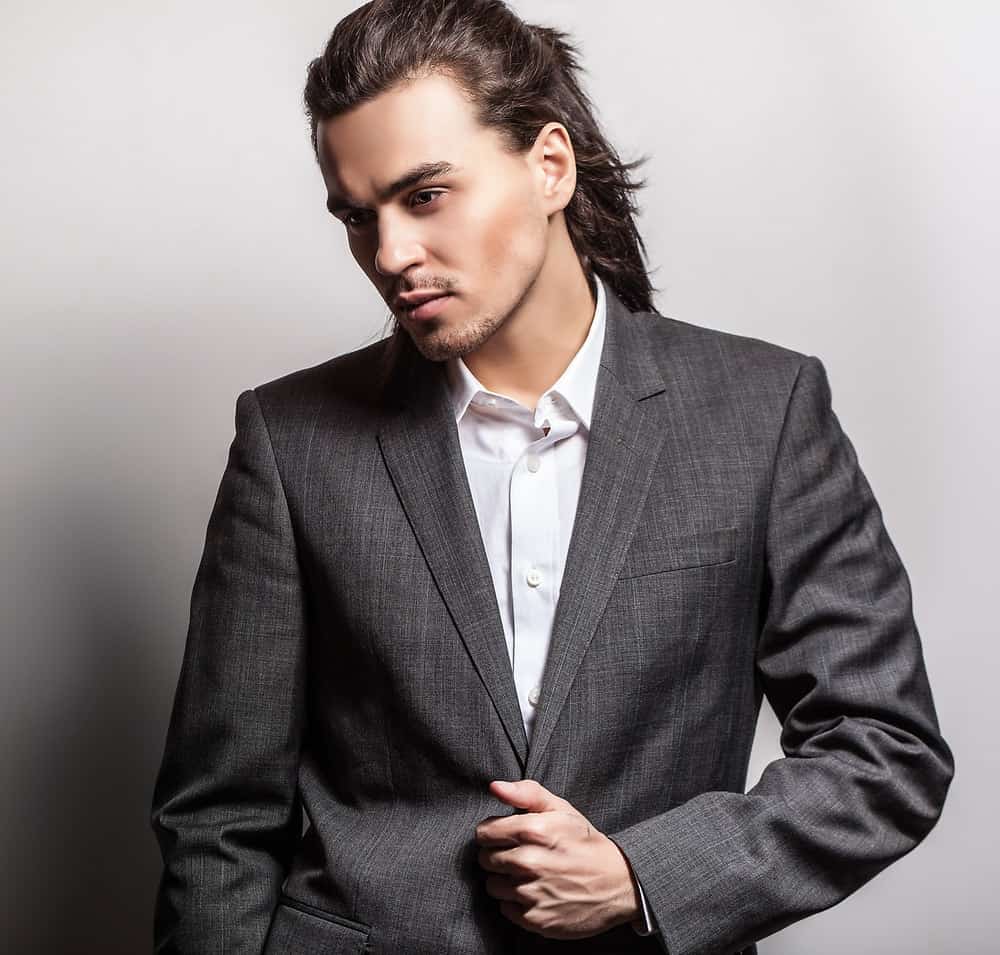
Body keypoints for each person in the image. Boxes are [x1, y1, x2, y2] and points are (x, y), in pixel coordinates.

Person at [149, 2, 954, 953]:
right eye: (358, 217)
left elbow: (885, 751)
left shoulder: (762, 412)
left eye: (427, 195)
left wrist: (640, 875)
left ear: (550, 167)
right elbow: (220, 819)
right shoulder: (291, 442)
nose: (390, 254)